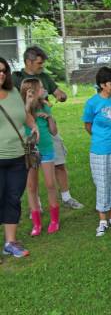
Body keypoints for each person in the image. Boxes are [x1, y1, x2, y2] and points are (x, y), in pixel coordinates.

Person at [12, 46, 83, 210]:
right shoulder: (16, 78)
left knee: (59, 162)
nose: (41, 66)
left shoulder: (44, 77)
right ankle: (36, 205)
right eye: (39, 63)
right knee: (32, 170)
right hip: (27, 131)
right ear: (28, 62)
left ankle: (66, 197)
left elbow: (58, 92)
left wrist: (61, 95)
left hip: (47, 127)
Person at [82, 67, 111, 237]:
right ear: (102, 84)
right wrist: (100, 138)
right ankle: (102, 220)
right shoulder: (92, 103)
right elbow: (88, 125)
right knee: (103, 183)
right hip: (100, 149)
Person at [0, 57, 37, 258]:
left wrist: (33, 126)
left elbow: (23, 115)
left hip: (18, 156)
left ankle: (10, 242)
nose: (1, 74)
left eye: (4, 70)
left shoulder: (13, 92)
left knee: (13, 198)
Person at [21, 79, 60, 236]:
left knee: (50, 184)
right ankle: (36, 223)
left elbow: (54, 132)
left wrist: (49, 118)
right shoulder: (22, 109)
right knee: (31, 187)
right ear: (31, 92)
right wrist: (28, 103)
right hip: (30, 149)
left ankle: (54, 220)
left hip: (46, 149)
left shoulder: (45, 107)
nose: (44, 90)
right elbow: (22, 120)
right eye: (41, 88)